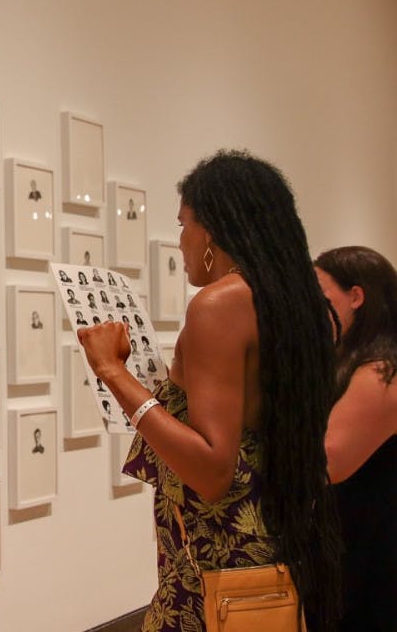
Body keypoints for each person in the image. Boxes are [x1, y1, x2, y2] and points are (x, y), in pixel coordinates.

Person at [77, 150, 341, 630]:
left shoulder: (218, 305)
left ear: (212, 231)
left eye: (184, 225)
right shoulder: (301, 304)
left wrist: (112, 371)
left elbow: (212, 468)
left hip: (218, 565)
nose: (180, 242)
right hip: (274, 539)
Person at [314, 246, 397, 631]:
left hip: (367, 546)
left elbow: (329, 461)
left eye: (321, 296)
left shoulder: (382, 370)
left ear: (357, 296)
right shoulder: (355, 360)